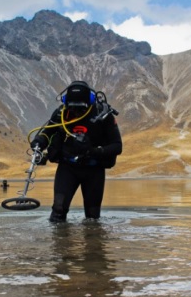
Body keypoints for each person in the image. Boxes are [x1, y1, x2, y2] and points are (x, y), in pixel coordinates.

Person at [30, 81, 122, 222]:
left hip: (94, 169)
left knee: (93, 217)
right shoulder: (61, 113)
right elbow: (47, 132)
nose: (76, 112)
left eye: (80, 108)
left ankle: (92, 241)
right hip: (67, 168)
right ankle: (59, 242)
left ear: (90, 102)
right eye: (72, 108)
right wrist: (39, 143)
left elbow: (117, 146)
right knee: (58, 211)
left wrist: (92, 151)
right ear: (66, 103)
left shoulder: (103, 115)